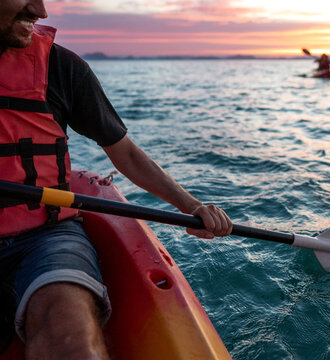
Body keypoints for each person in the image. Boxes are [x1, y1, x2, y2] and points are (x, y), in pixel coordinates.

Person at [0, 0, 233, 359]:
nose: (40, 10)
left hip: (45, 238)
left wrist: (192, 206)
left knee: (70, 341)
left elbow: (124, 153)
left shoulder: (63, 68)